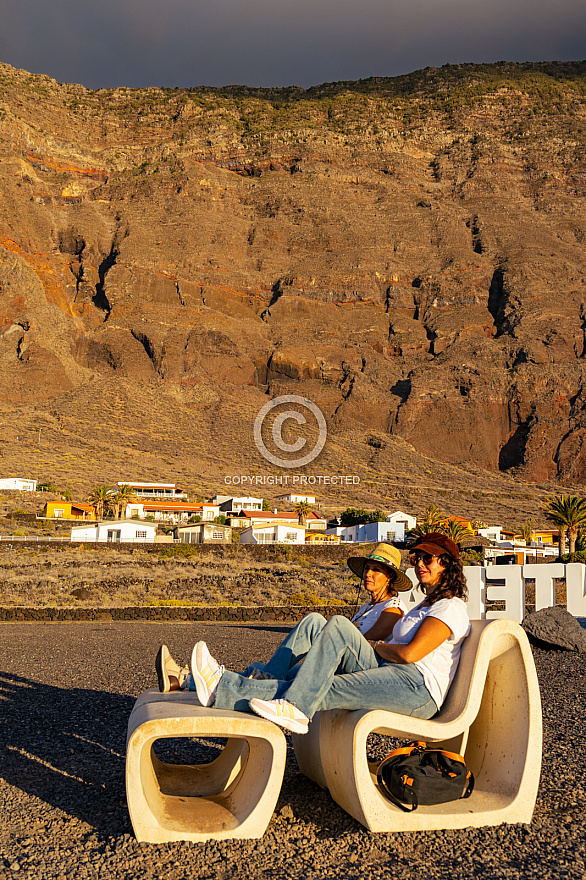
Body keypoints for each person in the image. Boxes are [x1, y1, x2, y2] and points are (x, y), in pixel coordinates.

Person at [161, 533, 471, 736]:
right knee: (324, 647)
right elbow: (395, 651)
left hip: (417, 689)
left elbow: (409, 654)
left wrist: (378, 645)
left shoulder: (450, 607)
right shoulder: (423, 607)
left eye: (427, 559)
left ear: (447, 564)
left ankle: (225, 686)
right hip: (393, 674)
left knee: (324, 660)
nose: (419, 565)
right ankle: (230, 689)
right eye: (417, 559)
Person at [156, 543, 410, 691]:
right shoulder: (366, 607)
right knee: (264, 669)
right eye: (367, 569)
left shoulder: (393, 609)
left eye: (377, 570)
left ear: (389, 577)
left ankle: (187, 679)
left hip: (355, 673)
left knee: (267, 676)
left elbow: (357, 645)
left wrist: (315, 656)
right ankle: (184, 680)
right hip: (335, 663)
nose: (369, 574)